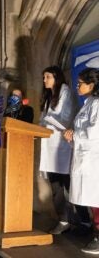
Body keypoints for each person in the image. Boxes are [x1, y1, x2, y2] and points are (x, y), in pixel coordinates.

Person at [39, 66, 90, 235]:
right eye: (44, 77)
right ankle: (65, 219)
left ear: (56, 77)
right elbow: (42, 119)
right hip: (50, 146)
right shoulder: (48, 96)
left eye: (47, 77)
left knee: (68, 185)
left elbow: (65, 117)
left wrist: (48, 119)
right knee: (57, 185)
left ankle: (80, 220)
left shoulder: (65, 92)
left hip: (64, 146)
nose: (44, 80)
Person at [63, 68, 99, 254]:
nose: (77, 86)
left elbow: (95, 132)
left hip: (94, 160)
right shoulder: (87, 104)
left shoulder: (97, 104)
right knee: (91, 199)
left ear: (91, 85)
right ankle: (94, 232)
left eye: (80, 83)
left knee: (96, 198)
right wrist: (71, 137)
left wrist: (75, 135)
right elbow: (81, 135)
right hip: (84, 158)